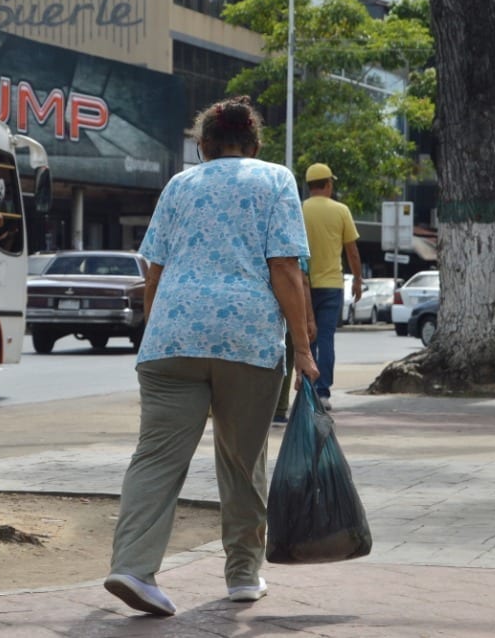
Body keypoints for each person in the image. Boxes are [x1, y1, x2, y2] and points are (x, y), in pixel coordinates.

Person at [105, 96, 318, 617]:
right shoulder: (275, 179)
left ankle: (133, 566)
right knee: (243, 462)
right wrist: (305, 348)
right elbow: (285, 268)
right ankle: (244, 575)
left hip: (172, 338)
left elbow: (153, 270)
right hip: (246, 338)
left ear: (202, 145)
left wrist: (157, 331)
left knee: (154, 457)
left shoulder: (181, 184)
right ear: (254, 143)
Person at [302, 162, 362, 408]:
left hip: (303, 285)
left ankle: (307, 392)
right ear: (327, 185)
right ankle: (323, 392)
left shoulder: (299, 209)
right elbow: (352, 251)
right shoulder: (341, 211)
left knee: (307, 339)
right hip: (331, 285)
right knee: (326, 338)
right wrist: (358, 279)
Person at [274, 257, 316, 423]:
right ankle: (279, 408)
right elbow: (301, 282)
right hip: (285, 316)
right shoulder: (293, 249)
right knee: (287, 360)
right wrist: (309, 319)